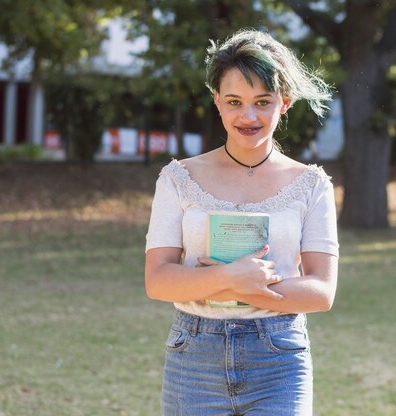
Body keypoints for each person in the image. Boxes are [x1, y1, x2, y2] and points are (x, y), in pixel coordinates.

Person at [145, 28, 339, 416]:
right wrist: (230, 279)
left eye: (262, 102)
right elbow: (157, 281)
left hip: (280, 360)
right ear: (217, 101)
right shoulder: (177, 178)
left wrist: (238, 286)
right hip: (193, 361)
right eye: (234, 101)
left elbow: (322, 292)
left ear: (284, 103)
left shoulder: (311, 184)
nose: (247, 116)